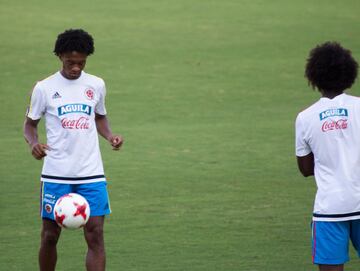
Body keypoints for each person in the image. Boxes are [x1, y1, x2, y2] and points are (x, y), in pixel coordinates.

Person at [23, 29, 124, 271]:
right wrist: (33, 144)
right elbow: (30, 125)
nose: (76, 67)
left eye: (81, 62)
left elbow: (99, 117)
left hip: (91, 173)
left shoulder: (96, 84)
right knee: (49, 235)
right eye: (71, 62)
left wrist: (110, 136)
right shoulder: (44, 88)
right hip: (56, 172)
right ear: (59, 56)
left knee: (95, 234)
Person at [295, 42, 360, 271]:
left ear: (314, 76)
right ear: (349, 73)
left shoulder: (305, 117)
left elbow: (305, 169)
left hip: (329, 209)